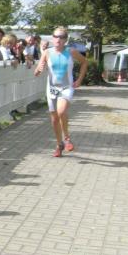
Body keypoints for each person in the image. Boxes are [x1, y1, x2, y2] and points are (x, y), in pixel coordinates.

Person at [33, 26, 88, 157]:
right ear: (52, 38)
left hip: (66, 87)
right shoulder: (47, 52)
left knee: (61, 111)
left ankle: (67, 138)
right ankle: (59, 144)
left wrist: (79, 80)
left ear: (65, 39)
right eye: (56, 36)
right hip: (52, 89)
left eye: (62, 37)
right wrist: (38, 70)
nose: (58, 39)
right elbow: (36, 72)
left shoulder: (71, 51)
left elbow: (85, 63)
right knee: (54, 120)